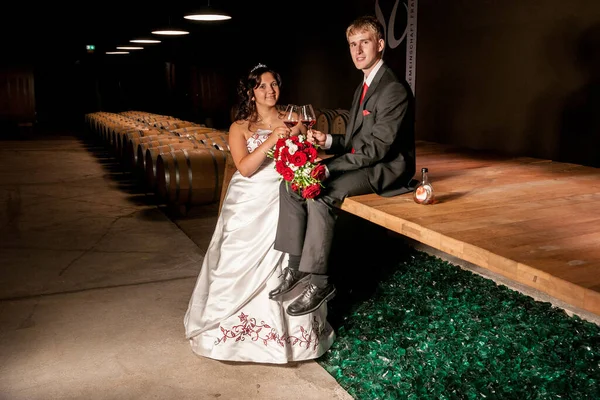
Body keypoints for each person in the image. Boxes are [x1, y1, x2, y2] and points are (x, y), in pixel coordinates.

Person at [183, 64, 335, 363]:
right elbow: (246, 168)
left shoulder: (295, 120)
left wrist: (305, 162)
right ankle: (234, 335)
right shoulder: (239, 127)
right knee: (238, 262)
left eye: (274, 84)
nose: (270, 90)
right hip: (250, 199)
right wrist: (273, 139)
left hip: (286, 197)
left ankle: (295, 338)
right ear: (251, 92)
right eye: (263, 86)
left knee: (289, 259)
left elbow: (307, 156)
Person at [269, 15, 416, 316]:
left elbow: (377, 149)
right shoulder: (364, 83)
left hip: (386, 167)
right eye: (353, 44)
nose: (358, 50)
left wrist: (328, 168)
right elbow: (357, 139)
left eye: (365, 42)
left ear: (380, 44)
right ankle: (296, 266)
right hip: (366, 159)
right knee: (293, 184)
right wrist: (328, 143)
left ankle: (321, 281)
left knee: (321, 191)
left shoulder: (393, 89)